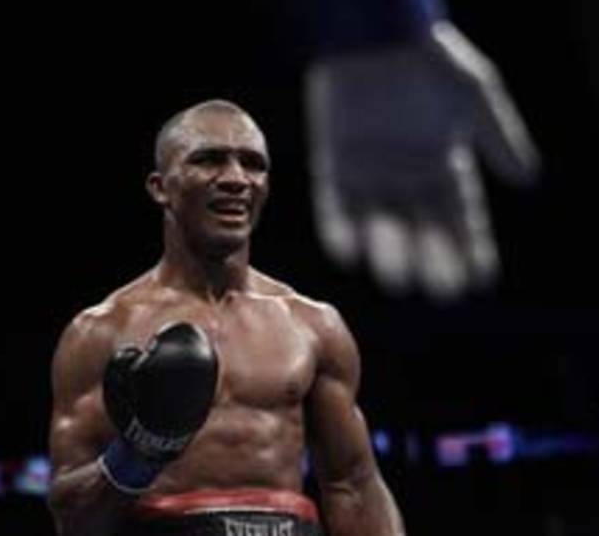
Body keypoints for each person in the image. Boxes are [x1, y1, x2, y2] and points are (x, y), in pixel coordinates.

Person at [47, 99, 406, 536]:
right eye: (209, 159)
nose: (236, 178)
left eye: (253, 164)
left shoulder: (313, 326)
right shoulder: (100, 332)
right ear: (160, 188)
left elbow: (353, 486)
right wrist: (140, 452)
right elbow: (73, 518)